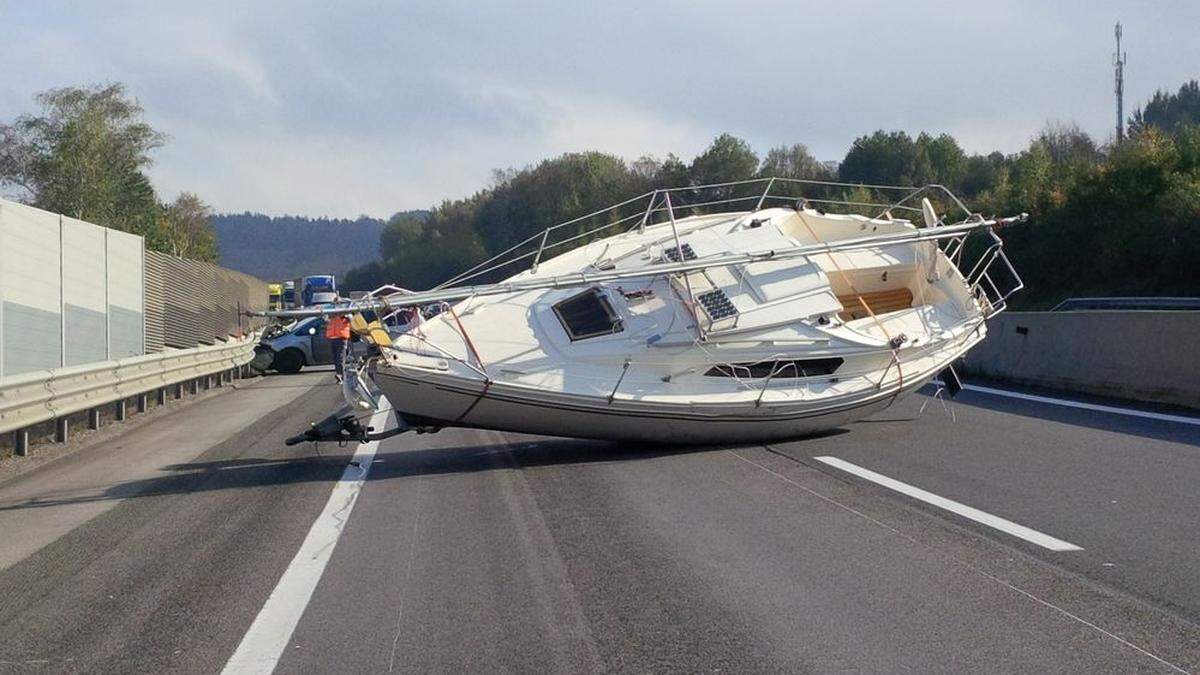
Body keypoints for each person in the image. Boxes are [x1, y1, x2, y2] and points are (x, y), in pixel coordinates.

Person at [325, 314, 351, 381]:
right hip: (332, 338)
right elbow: (326, 320)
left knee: (340, 357)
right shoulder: (331, 312)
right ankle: (339, 374)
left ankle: (341, 375)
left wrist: (345, 316)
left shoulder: (344, 312)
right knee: (336, 358)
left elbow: (350, 318)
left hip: (341, 338)